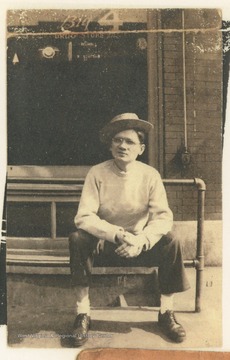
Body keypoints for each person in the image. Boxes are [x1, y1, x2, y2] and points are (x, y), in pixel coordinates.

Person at [69, 113, 190, 347]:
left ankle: (166, 313)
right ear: (110, 144)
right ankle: (83, 313)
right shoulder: (97, 173)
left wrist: (141, 241)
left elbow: (163, 217)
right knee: (77, 239)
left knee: (171, 240)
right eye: (117, 140)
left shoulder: (150, 175)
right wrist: (115, 234)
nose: (122, 146)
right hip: (105, 243)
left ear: (141, 148)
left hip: (138, 245)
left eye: (129, 141)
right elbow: (83, 216)